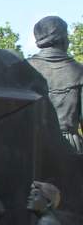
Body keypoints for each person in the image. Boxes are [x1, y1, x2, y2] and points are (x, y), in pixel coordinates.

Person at [27, 16, 83, 153]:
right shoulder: (80, 72)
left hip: (29, 146)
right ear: (63, 39)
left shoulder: (22, 68)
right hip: (68, 148)